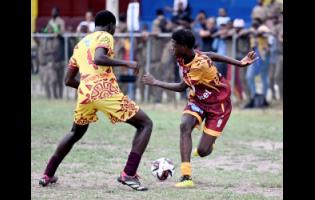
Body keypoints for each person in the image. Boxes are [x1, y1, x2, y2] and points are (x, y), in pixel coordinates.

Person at [39, 10, 153, 191]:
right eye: (114, 28)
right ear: (111, 25)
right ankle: (129, 173)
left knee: (75, 133)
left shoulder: (79, 45)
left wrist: (87, 88)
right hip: (105, 91)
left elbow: (68, 80)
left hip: (85, 93)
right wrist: (127, 63)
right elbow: (100, 58)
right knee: (145, 124)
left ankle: (47, 174)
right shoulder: (105, 36)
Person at [142, 29, 258, 188]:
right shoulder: (187, 55)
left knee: (203, 151)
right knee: (184, 126)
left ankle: (209, 144)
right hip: (198, 99)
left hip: (219, 106)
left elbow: (181, 87)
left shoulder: (198, 66)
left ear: (183, 47)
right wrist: (239, 63)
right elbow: (211, 53)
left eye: (174, 45)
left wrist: (155, 82)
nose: (171, 48)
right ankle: (186, 177)